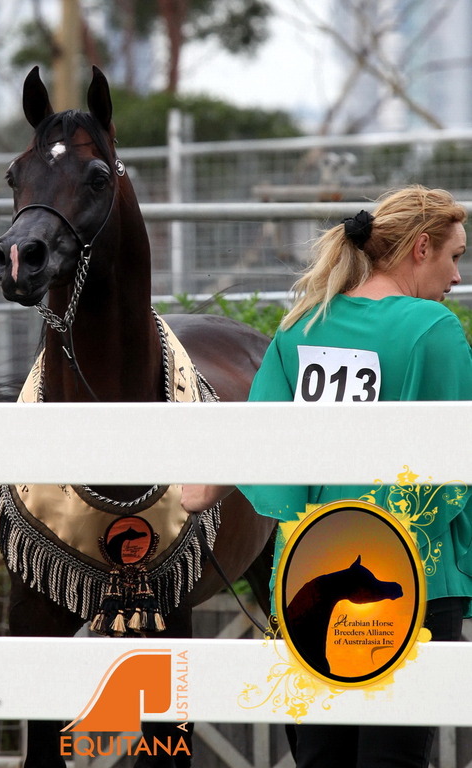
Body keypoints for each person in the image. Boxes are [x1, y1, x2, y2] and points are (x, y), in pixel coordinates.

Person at [182, 185, 472, 768]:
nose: (457, 276)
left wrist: (205, 488)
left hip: (309, 575)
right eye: (455, 255)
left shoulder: (300, 328)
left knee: (319, 758)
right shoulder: (430, 328)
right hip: (407, 577)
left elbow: (260, 448)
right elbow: (451, 475)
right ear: (420, 248)